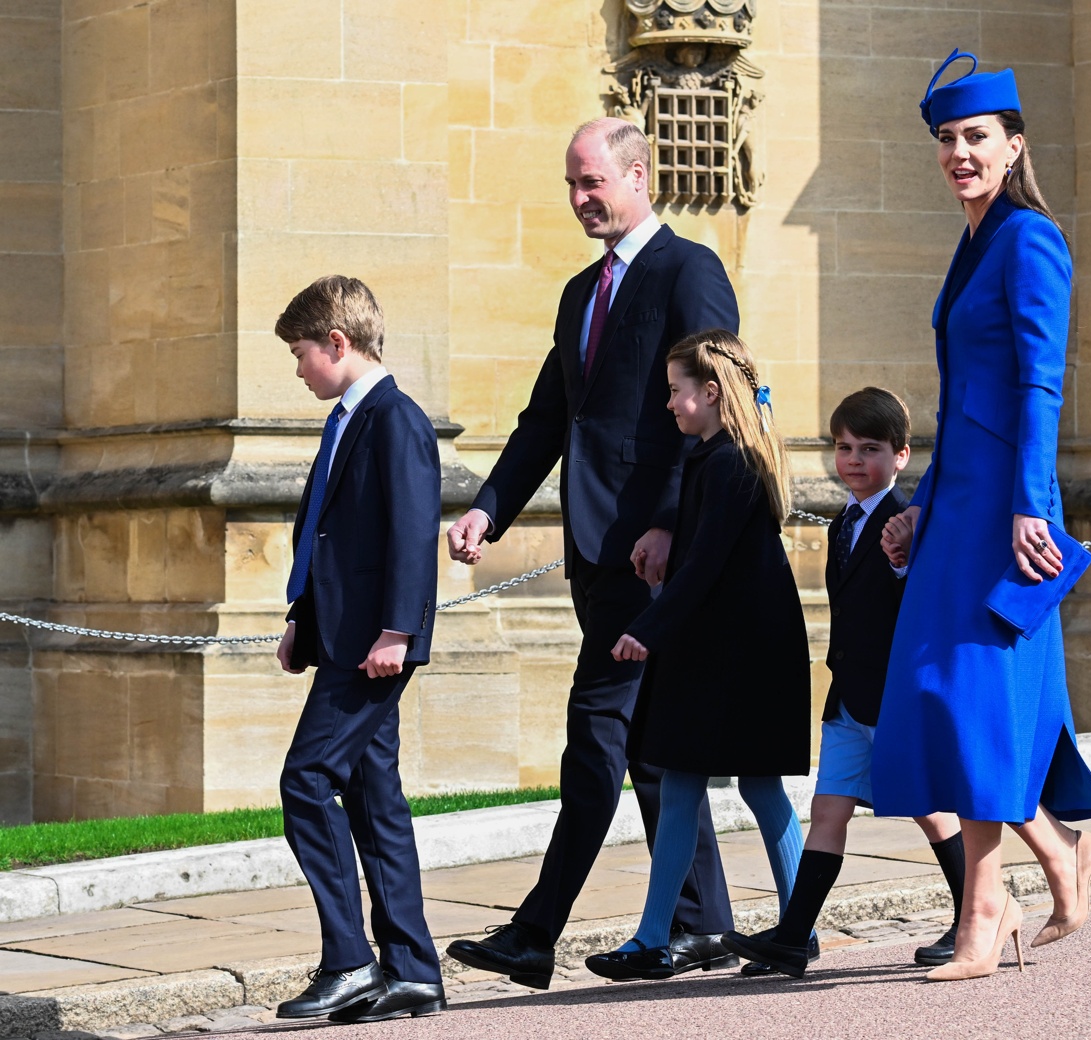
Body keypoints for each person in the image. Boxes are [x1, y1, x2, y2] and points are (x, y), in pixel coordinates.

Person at [444, 118, 739, 989]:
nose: (578, 201)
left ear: (638, 175)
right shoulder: (580, 292)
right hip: (592, 551)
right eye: (571, 186)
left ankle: (536, 932)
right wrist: (490, 508)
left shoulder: (690, 269)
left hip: (651, 557)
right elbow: (549, 418)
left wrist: (670, 522)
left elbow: (720, 400)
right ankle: (703, 924)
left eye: (591, 184)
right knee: (650, 744)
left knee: (596, 735)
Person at [870, 51, 1091, 983]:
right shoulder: (971, 244)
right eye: (947, 138)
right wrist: (920, 503)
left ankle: (988, 907)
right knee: (947, 697)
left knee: (974, 701)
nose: (959, 153)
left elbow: (1039, 386)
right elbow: (960, 399)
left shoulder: (1030, 241)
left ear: (1014, 147)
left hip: (1007, 514)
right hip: (960, 507)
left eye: (977, 137)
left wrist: (1027, 508)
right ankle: (1059, 857)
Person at [584, 330, 810, 981]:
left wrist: (649, 626)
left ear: (710, 393)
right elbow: (699, 562)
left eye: (677, 391)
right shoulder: (709, 456)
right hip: (713, 645)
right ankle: (655, 936)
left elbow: (707, 563)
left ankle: (799, 927)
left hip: (745, 651)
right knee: (680, 780)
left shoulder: (735, 462)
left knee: (758, 785)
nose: (670, 405)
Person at [721, 387, 965, 978]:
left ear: (902, 456)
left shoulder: (905, 521)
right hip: (849, 696)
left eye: (871, 448)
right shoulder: (840, 526)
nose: (854, 459)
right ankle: (793, 936)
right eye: (844, 446)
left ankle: (974, 917)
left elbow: (923, 604)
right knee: (829, 810)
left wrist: (904, 562)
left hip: (896, 697)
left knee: (931, 812)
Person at [273, 276, 446, 1021]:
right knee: (375, 800)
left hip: (375, 644)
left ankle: (349, 960)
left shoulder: (394, 419)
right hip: (343, 636)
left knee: (305, 780)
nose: (299, 367)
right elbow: (328, 534)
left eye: (302, 352)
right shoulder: (347, 419)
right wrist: (299, 619)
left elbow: (412, 532)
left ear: (338, 344)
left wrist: (398, 632)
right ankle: (412, 968)